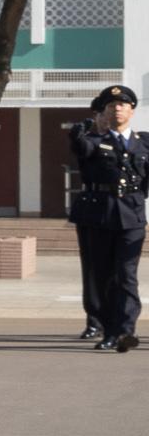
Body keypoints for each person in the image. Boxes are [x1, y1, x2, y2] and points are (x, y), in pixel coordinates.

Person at [62, 85, 146, 354]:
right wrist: (81, 130)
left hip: (132, 216)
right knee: (103, 276)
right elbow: (79, 147)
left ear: (132, 110)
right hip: (101, 216)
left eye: (122, 105)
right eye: (111, 106)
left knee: (126, 275)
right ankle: (109, 330)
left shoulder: (144, 143)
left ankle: (125, 330)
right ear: (105, 113)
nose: (117, 109)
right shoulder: (93, 142)